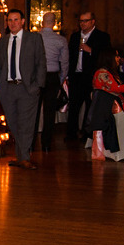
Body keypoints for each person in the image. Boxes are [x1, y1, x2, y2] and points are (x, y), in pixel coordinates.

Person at [0, 9, 47, 170]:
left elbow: (41, 63)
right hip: (7, 89)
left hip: (27, 88)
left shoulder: (34, 38)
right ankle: (21, 156)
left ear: (23, 21)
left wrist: (37, 85)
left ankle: (24, 157)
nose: (13, 23)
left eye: (16, 20)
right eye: (10, 20)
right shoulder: (2, 41)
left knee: (26, 123)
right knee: (13, 123)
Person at [67, 11, 111, 141]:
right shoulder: (75, 36)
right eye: (80, 21)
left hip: (92, 77)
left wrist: (91, 50)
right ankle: (71, 134)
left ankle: (87, 134)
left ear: (93, 21)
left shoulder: (102, 36)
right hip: (76, 76)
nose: (82, 24)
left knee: (91, 106)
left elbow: (106, 56)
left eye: (85, 21)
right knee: (74, 105)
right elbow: (70, 56)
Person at [36, 12, 69, 152]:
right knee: (49, 111)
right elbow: (65, 62)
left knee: (34, 110)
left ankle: (30, 143)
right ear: (55, 23)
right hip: (53, 76)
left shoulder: (35, 38)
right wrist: (61, 79)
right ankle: (46, 143)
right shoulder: (60, 40)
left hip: (37, 76)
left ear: (42, 23)